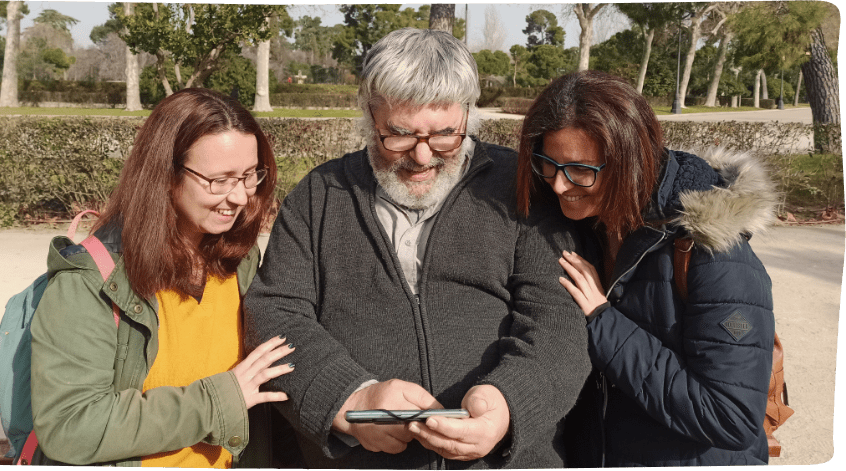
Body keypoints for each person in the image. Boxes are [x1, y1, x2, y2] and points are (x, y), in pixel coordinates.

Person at [243, 28, 590, 469]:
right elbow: (275, 313)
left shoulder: (521, 187)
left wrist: (508, 404)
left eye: (447, 135)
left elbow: (558, 321)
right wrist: (350, 399)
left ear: (469, 115)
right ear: (369, 116)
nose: (424, 157)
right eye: (401, 135)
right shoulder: (321, 195)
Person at [516, 70, 776, 467]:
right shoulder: (586, 221)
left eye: (580, 170)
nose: (559, 185)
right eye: (547, 165)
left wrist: (603, 321)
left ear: (629, 162)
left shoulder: (714, 254)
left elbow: (732, 417)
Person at [29, 88, 293, 468]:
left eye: (249, 176)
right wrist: (218, 400)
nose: (239, 197)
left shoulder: (241, 262)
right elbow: (71, 426)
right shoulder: (90, 282)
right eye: (219, 180)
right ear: (166, 175)